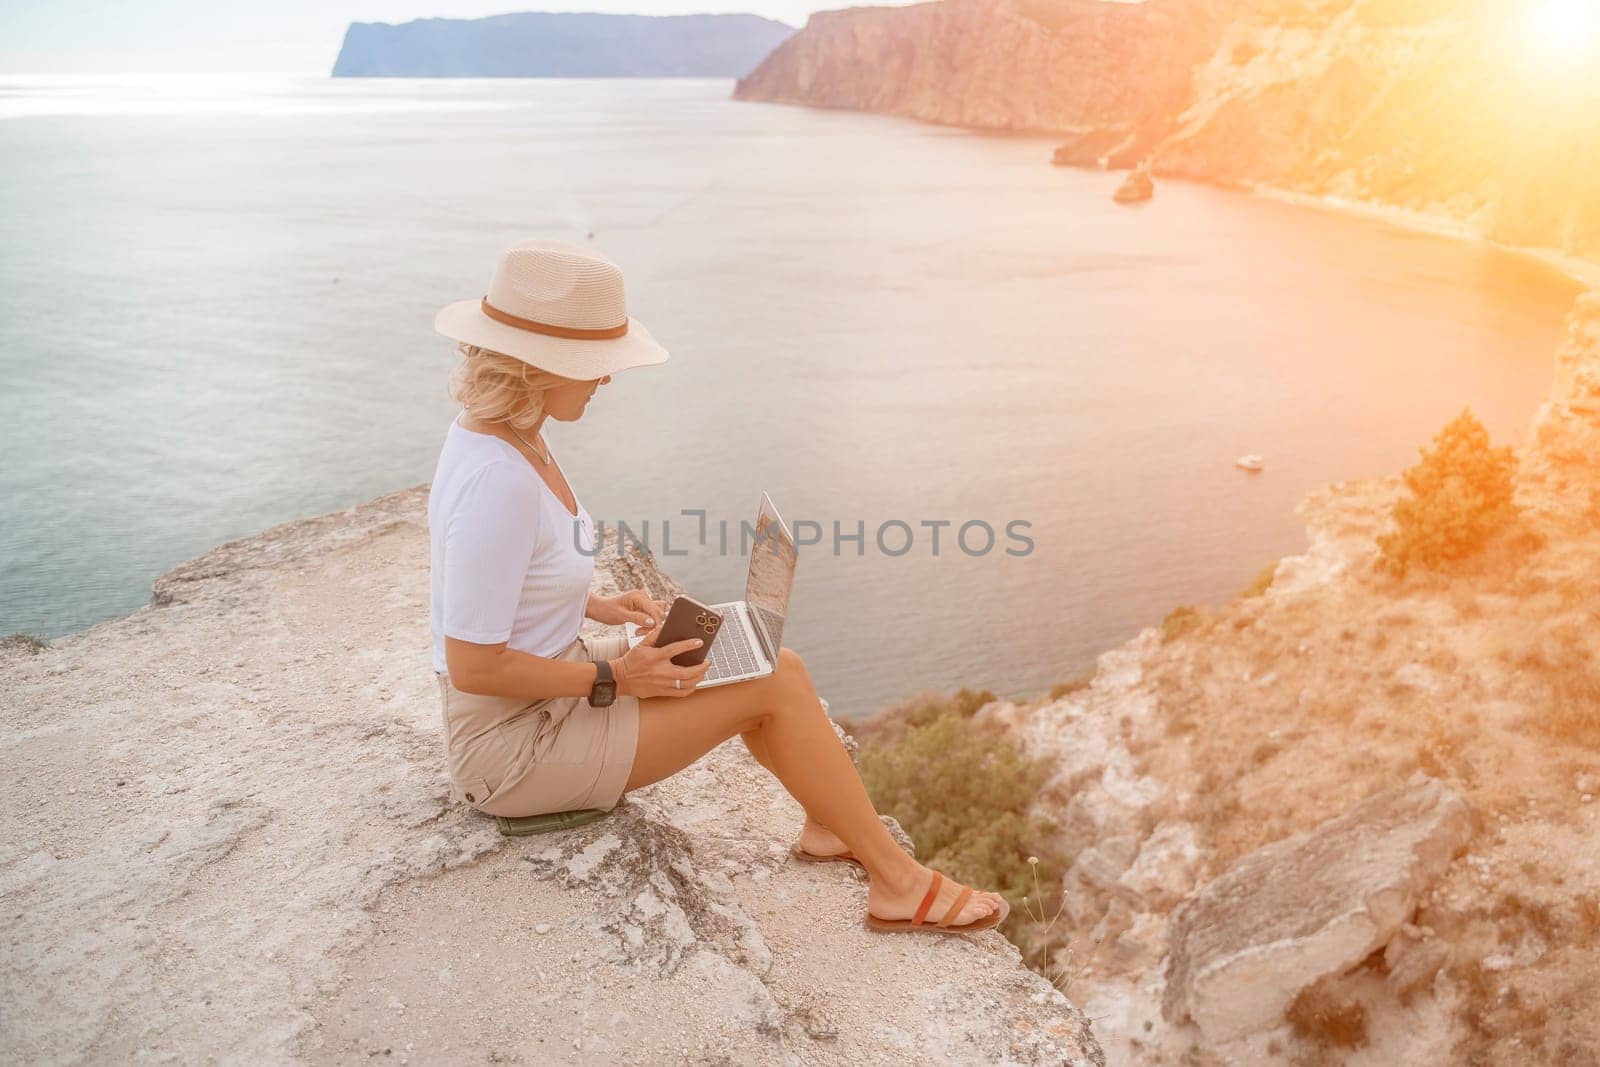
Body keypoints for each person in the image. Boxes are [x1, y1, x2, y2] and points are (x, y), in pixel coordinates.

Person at [428, 238, 1007, 934]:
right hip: (514, 750)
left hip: (550, 695)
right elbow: (473, 662)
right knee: (769, 685)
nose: (606, 381)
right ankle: (899, 882)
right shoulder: (499, 478)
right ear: (542, 364)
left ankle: (831, 822)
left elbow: (506, 578)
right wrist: (617, 674)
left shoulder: (508, 435)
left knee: (765, 660)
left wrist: (596, 605)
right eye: (595, 365)